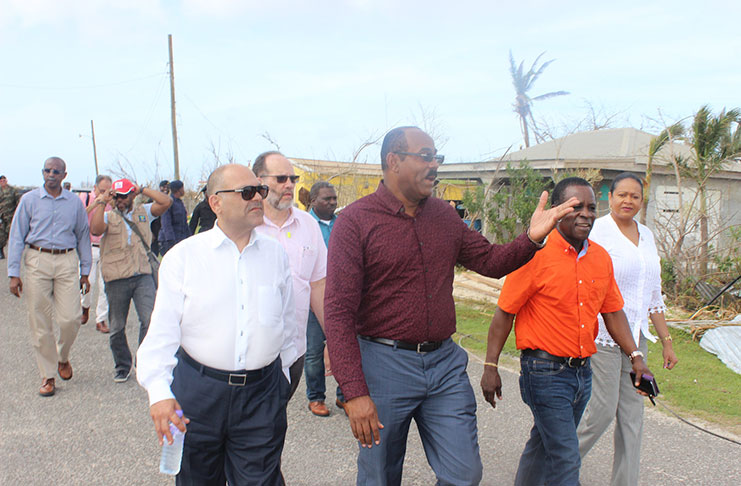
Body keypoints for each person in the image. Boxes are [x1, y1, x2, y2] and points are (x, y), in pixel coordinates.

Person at [324, 126, 577, 485]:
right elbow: (338, 311)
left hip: (444, 365)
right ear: (393, 161)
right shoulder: (355, 222)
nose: (435, 165)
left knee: (464, 474)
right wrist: (355, 391)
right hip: (383, 365)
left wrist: (533, 237)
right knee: (379, 475)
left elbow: (490, 261)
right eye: (425, 156)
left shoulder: (444, 216)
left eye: (437, 157)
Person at [481, 177, 654, 486]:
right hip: (543, 372)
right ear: (558, 211)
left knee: (542, 446)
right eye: (576, 207)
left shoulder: (600, 257)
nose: (586, 214)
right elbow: (504, 313)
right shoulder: (534, 254)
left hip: (582, 374)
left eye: (590, 207)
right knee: (565, 455)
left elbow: (613, 311)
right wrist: (491, 366)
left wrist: (636, 356)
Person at [137, 164, 297, 485]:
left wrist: (281, 383)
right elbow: (162, 333)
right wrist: (159, 392)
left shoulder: (275, 254)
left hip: (261, 396)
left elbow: (289, 324)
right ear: (216, 203)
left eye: (260, 191)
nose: (258, 199)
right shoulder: (183, 258)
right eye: (247, 192)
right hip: (198, 395)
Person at [576, 172, 678, 486]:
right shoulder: (597, 231)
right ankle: (555, 468)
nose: (628, 201)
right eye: (622, 195)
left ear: (641, 200)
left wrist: (666, 341)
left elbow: (653, 293)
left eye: (635, 196)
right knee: (602, 412)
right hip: (604, 339)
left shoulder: (646, 235)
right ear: (610, 196)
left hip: (639, 344)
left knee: (633, 418)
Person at [7, 157, 92, 397]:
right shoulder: (29, 200)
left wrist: (85, 271)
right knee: (40, 321)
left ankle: (62, 356)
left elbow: (83, 236)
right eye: (47, 170)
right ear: (42, 173)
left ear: (64, 175)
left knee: (71, 319)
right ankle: (48, 375)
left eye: (56, 171)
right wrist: (14, 273)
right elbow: (16, 236)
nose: (51, 174)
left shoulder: (74, 203)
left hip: (66, 260)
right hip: (37, 259)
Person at [253, 151, 328, 406]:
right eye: (281, 178)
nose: (289, 185)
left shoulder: (308, 225)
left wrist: (334, 340)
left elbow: (318, 286)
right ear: (259, 180)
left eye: (293, 178)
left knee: (274, 424)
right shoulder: (244, 225)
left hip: (294, 351)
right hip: (248, 353)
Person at [90, 178, 172, 383]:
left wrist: (142, 189)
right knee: (117, 326)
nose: (121, 200)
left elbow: (165, 202)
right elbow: (96, 229)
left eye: (125, 196)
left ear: (132, 196)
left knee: (149, 320)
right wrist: (102, 202)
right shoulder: (109, 215)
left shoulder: (143, 212)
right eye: (117, 197)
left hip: (142, 274)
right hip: (116, 277)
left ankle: (143, 361)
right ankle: (122, 365)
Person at [304, 181, 346, 416]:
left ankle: (345, 395)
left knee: (345, 347)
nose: (332, 202)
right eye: (326, 199)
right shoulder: (304, 226)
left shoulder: (342, 225)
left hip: (341, 296)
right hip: (313, 296)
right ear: (313, 201)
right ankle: (316, 397)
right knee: (314, 350)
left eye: (333, 198)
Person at [79, 175, 112, 332]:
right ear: (95, 188)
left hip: (106, 247)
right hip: (88, 247)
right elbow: (78, 216)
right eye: (102, 190)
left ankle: (101, 319)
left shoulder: (112, 202)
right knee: (88, 282)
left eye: (108, 191)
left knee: (105, 285)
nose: (105, 194)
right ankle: (85, 307)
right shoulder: (85, 198)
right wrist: (96, 203)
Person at [158, 179, 190, 255]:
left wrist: (189, 237)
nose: (183, 190)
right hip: (169, 241)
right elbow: (166, 223)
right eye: (182, 188)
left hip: (180, 239)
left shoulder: (180, 203)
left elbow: (184, 224)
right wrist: (170, 241)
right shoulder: (169, 202)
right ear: (178, 190)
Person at [0, 175, 20, 259]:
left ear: (6, 181)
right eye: (1, 180)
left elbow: (18, 202)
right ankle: (1, 251)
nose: (3, 181)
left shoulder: (13, 190)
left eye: (4, 180)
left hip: (11, 216)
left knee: (12, 235)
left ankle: (15, 253)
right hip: (2, 217)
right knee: (1, 235)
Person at [150, 180, 169, 255]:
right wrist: (150, 232)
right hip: (154, 230)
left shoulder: (170, 200)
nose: (166, 189)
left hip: (165, 233)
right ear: (160, 188)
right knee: (153, 254)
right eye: (164, 187)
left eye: (167, 187)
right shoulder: (153, 200)